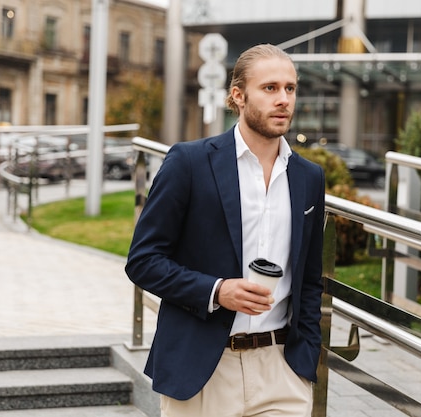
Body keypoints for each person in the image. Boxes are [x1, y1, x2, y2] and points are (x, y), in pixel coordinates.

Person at [125, 43, 325, 417]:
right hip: (204, 370)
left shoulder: (309, 177)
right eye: (270, 88)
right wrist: (218, 291)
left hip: (281, 371)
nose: (283, 99)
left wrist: (305, 357)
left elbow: (310, 279)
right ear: (238, 95)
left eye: (290, 88)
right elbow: (143, 261)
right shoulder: (189, 162)